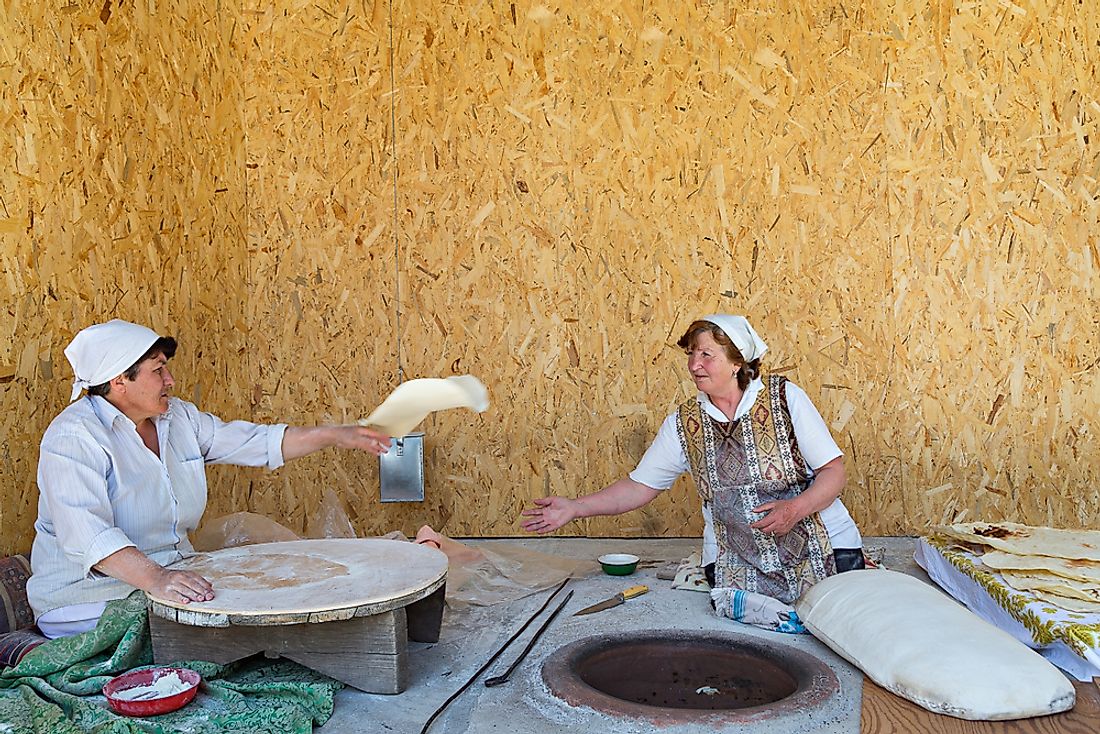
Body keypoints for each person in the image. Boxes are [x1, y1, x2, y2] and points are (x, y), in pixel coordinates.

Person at [28, 319, 393, 638]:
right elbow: (88, 536)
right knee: (226, 630)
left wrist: (335, 435)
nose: (169, 380)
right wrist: (157, 579)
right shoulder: (73, 438)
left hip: (170, 574)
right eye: (158, 371)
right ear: (120, 379)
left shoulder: (178, 419)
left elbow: (253, 442)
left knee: (269, 595)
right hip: (86, 598)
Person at [521, 314, 865, 612]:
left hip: (822, 546)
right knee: (754, 633)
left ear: (737, 361)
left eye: (706, 355)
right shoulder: (685, 423)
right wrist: (574, 508)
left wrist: (794, 509)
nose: (694, 365)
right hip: (736, 560)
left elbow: (833, 472)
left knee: (839, 621)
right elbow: (640, 487)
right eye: (691, 355)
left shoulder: (785, 398)